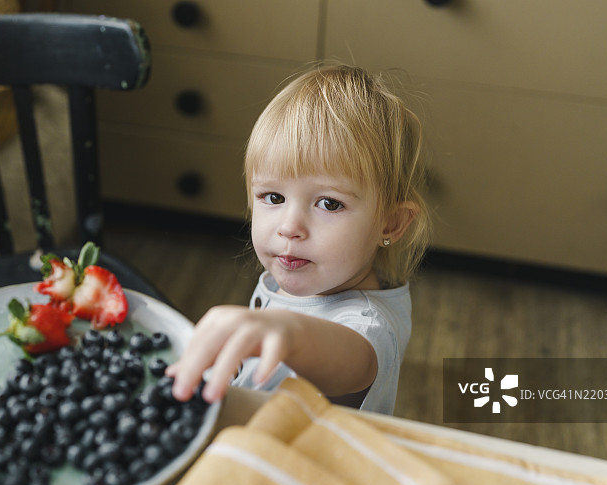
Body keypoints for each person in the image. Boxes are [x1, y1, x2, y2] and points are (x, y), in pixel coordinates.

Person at [167, 64, 431, 415]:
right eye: (274, 197)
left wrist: (285, 332)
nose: (289, 227)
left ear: (391, 223)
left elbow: (346, 362)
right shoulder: (304, 276)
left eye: (329, 203)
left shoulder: (367, 327)